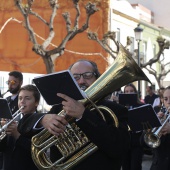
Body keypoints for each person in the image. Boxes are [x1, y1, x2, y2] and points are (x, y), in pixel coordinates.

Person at [18, 59, 130, 170]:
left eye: (87, 75)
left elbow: (118, 148)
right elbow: (23, 125)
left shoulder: (116, 110)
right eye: (75, 77)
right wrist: (43, 119)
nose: (81, 81)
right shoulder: (58, 108)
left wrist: (83, 115)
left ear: (97, 78)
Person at [4, 84, 40, 170]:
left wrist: (17, 135)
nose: (22, 102)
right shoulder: (14, 120)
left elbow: (38, 152)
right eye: (20, 98)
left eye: (27, 98)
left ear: (36, 102)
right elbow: (4, 148)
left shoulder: (41, 123)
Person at [0, 71, 23, 170]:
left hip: (14, 141)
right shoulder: (7, 99)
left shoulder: (22, 100)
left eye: (13, 82)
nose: (10, 85)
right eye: (8, 82)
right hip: (4, 141)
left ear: (20, 83)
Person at [121, 83, 144, 170]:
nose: (129, 93)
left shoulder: (141, 106)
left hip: (137, 142)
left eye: (131, 91)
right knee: (125, 166)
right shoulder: (120, 107)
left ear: (135, 93)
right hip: (124, 142)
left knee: (135, 166)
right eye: (126, 91)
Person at [149, 86, 170, 170]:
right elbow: (143, 142)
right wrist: (150, 127)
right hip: (158, 166)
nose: (169, 102)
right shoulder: (160, 116)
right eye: (165, 99)